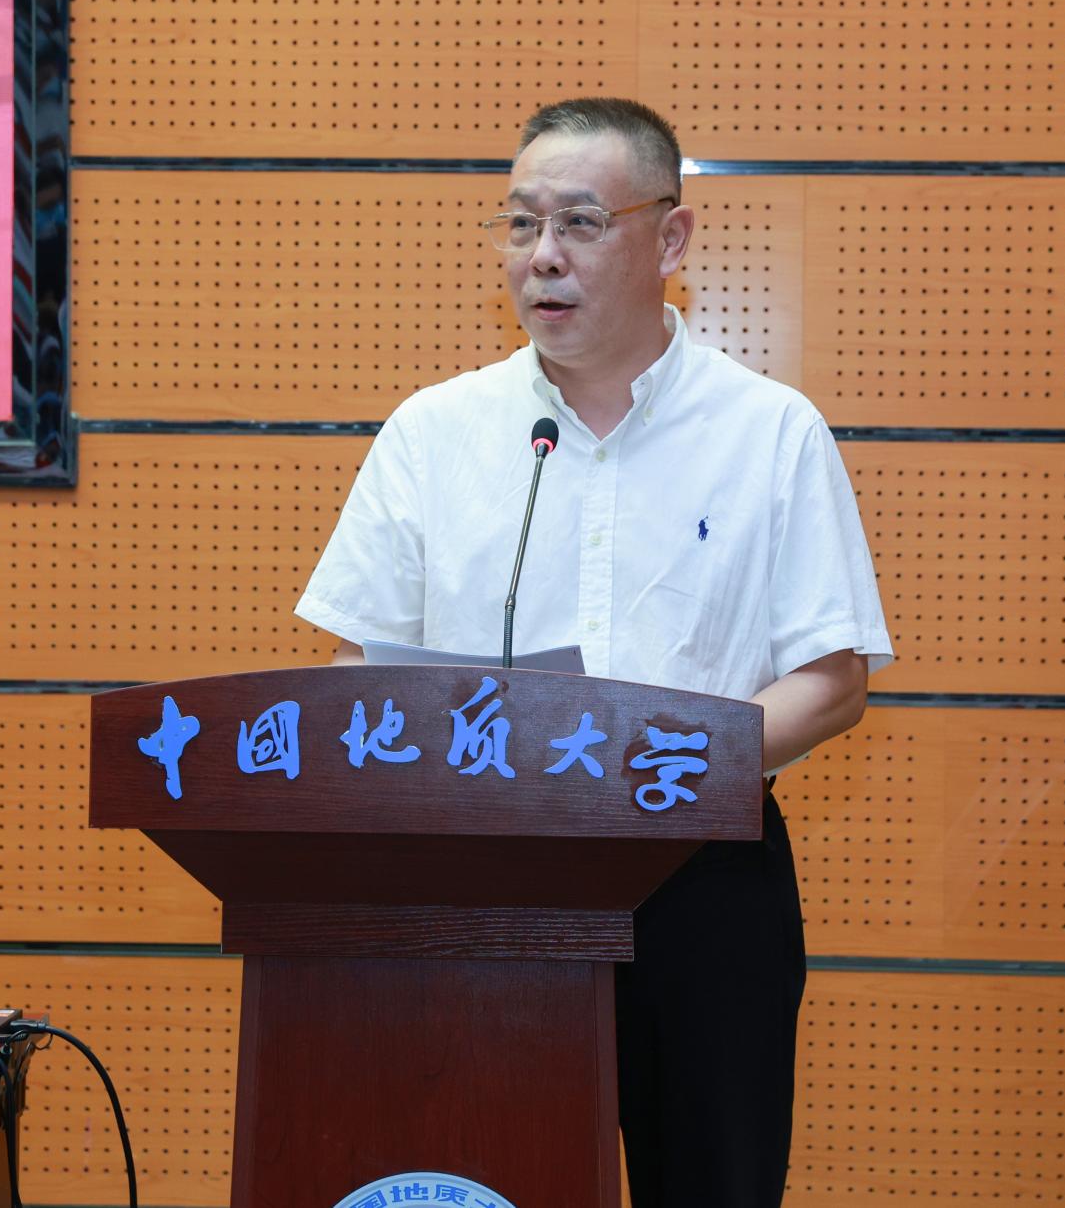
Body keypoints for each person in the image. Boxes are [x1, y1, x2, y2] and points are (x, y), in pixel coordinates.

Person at [295, 96, 893, 1207]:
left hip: (703, 879)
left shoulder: (769, 431)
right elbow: (362, 671)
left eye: (579, 221)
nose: (543, 256)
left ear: (671, 238)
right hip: (484, 883)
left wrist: (658, 768)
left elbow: (832, 679)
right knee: (487, 1177)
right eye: (521, 223)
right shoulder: (435, 433)